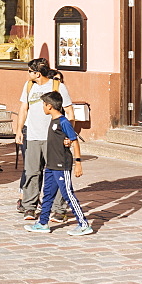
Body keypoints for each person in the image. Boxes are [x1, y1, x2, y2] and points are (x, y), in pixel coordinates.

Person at [24, 91, 93, 236]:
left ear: (49, 106)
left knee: (68, 194)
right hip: (51, 165)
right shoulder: (53, 121)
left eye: (43, 104)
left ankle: (84, 224)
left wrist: (78, 163)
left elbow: (74, 141)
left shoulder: (63, 122)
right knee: (48, 194)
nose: (43, 107)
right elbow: (62, 140)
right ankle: (43, 223)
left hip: (61, 165)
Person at [16, 58, 75, 222]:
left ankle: (58, 209)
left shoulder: (58, 87)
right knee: (31, 173)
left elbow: (70, 113)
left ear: (37, 73)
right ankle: (29, 207)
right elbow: (23, 109)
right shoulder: (29, 86)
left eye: (29, 71)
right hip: (33, 136)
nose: (27, 74)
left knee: (56, 173)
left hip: (54, 139)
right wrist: (19, 131)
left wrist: (68, 136)